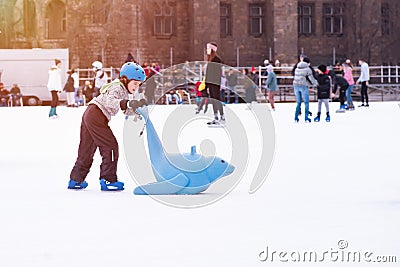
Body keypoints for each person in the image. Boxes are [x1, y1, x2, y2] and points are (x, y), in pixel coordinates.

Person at [68, 62, 147, 191]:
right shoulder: (117, 87)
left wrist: (137, 111)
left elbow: (125, 109)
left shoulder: (124, 92)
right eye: (134, 83)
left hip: (90, 114)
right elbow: (112, 102)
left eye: (139, 85)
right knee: (110, 146)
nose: (136, 87)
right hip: (96, 115)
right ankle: (108, 179)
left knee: (86, 149)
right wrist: (127, 103)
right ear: (125, 79)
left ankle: (76, 179)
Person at [204, 42, 224, 125]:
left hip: (215, 83)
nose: (206, 50)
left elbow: (218, 73)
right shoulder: (210, 60)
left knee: (216, 99)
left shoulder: (216, 60)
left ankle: (221, 116)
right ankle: (216, 116)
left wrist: (217, 84)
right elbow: (208, 73)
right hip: (210, 83)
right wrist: (206, 84)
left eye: (208, 48)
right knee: (213, 100)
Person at [293, 57, 318, 123]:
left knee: (298, 102)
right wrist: (316, 84)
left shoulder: (297, 68)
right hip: (303, 86)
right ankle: (306, 117)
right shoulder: (308, 69)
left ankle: (296, 117)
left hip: (296, 85)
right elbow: (311, 78)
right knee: (306, 102)